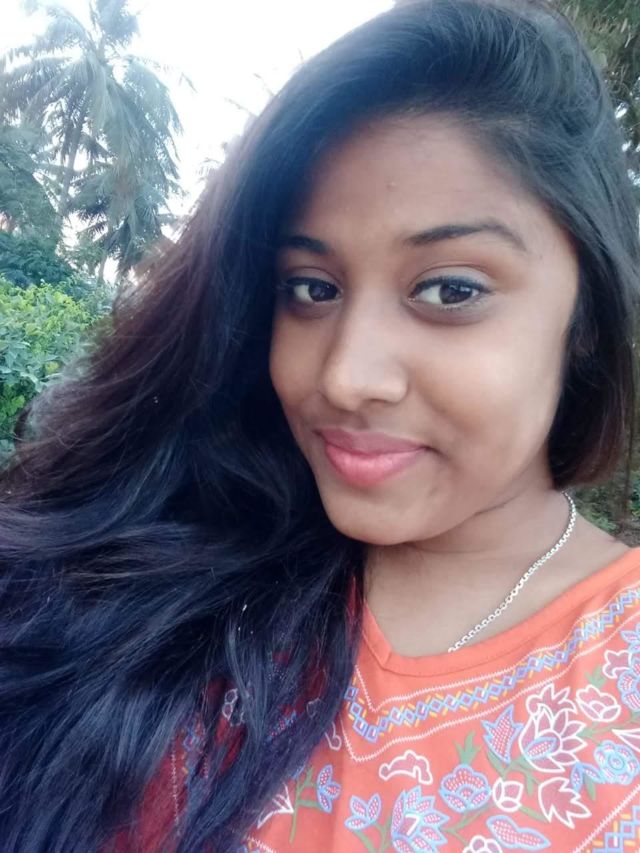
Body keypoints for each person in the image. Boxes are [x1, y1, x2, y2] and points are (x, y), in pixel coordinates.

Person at [1, 0, 639, 850]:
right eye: (312, 288)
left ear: (586, 312)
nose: (345, 376)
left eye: (450, 289)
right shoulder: (160, 550)